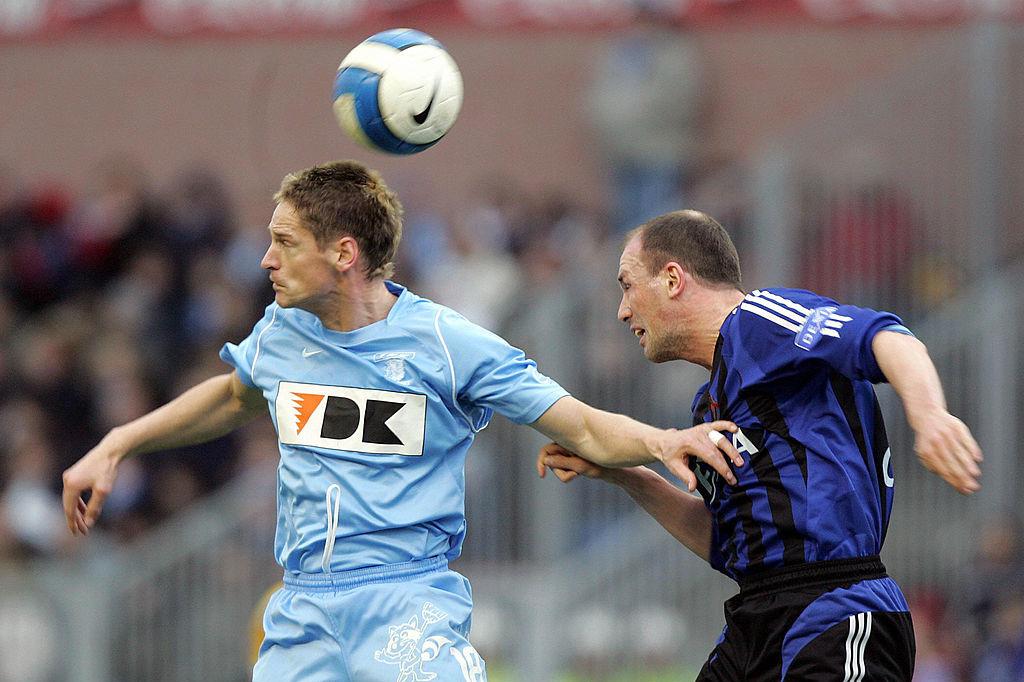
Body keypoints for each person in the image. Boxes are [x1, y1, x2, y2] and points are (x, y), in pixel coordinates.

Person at [60, 162, 743, 682]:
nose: (265, 259)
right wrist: (118, 443)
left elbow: (582, 426)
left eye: (284, 241)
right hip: (301, 613)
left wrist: (661, 441)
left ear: (344, 254)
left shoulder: (447, 343)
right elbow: (234, 396)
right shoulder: (281, 333)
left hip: (405, 603)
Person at [538, 209, 983, 680]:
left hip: (835, 610)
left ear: (672, 279)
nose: (622, 310)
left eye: (627, 285)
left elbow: (888, 338)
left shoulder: (759, 321)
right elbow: (727, 543)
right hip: (756, 619)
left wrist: (930, 415)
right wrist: (621, 473)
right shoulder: (707, 409)